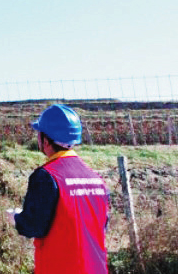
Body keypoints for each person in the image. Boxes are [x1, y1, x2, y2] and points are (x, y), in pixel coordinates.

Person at [10, 104, 109, 274]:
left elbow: (33, 226)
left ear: (45, 140)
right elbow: (102, 226)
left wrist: (16, 218)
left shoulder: (46, 176)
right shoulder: (96, 179)